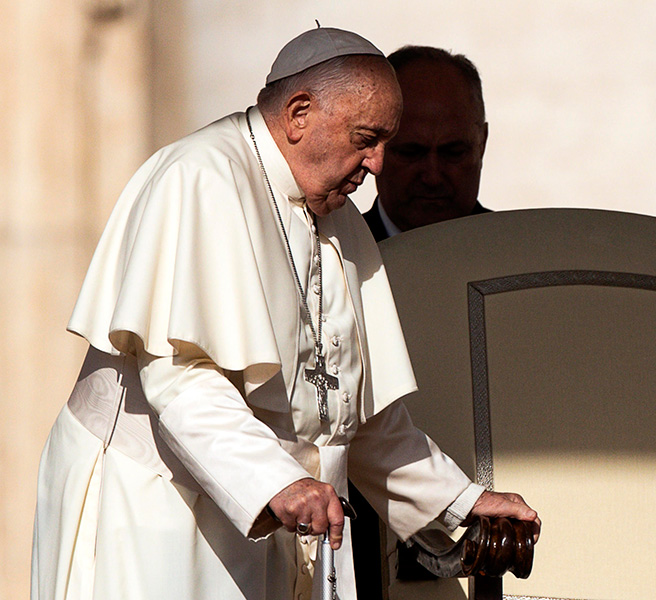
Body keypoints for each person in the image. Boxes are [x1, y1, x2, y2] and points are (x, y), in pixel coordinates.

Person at [31, 27, 538, 600]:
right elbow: (181, 381)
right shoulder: (200, 179)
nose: (376, 163)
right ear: (299, 113)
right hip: (157, 511)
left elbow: (355, 414)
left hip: (270, 512)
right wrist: (278, 482)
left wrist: (461, 501)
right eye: (367, 138)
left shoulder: (336, 214)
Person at [363, 46, 491, 241]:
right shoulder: (331, 261)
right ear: (373, 145)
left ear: (482, 143)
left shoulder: (528, 257)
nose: (433, 178)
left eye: (453, 153)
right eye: (410, 153)